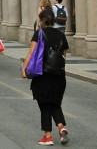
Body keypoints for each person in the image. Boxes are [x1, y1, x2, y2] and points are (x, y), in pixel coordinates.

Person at [22, 8, 70, 146]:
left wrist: (24, 69)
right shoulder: (61, 35)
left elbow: (31, 52)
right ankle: (61, 126)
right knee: (55, 103)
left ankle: (48, 136)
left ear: (42, 20)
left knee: (44, 105)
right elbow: (63, 56)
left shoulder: (39, 34)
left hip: (43, 75)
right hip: (59, 76)